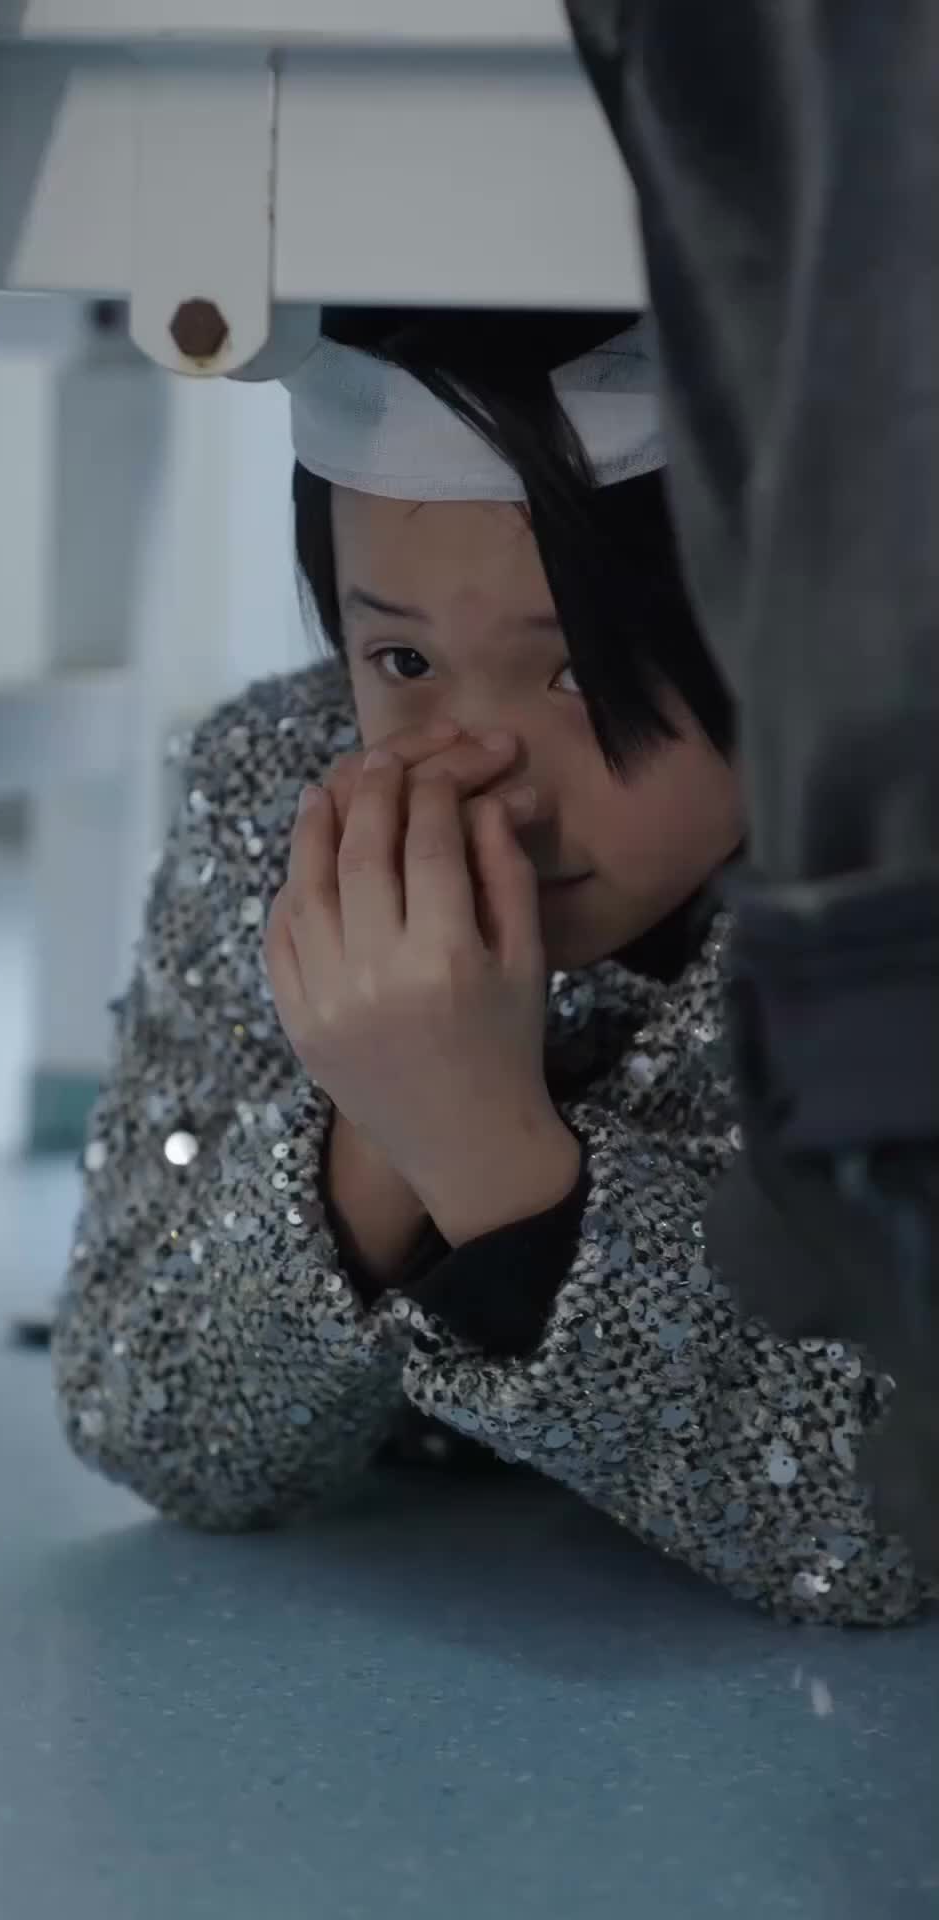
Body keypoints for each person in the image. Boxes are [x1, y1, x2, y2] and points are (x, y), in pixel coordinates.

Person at [50, 307, 934, 1628]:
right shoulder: (281, 791)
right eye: (401, 659)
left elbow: (884, 1522)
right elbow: (150, 1420)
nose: (489, 778)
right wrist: (380, 1128)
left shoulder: (883, 872)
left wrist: (483, 1150)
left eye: (581, 672)